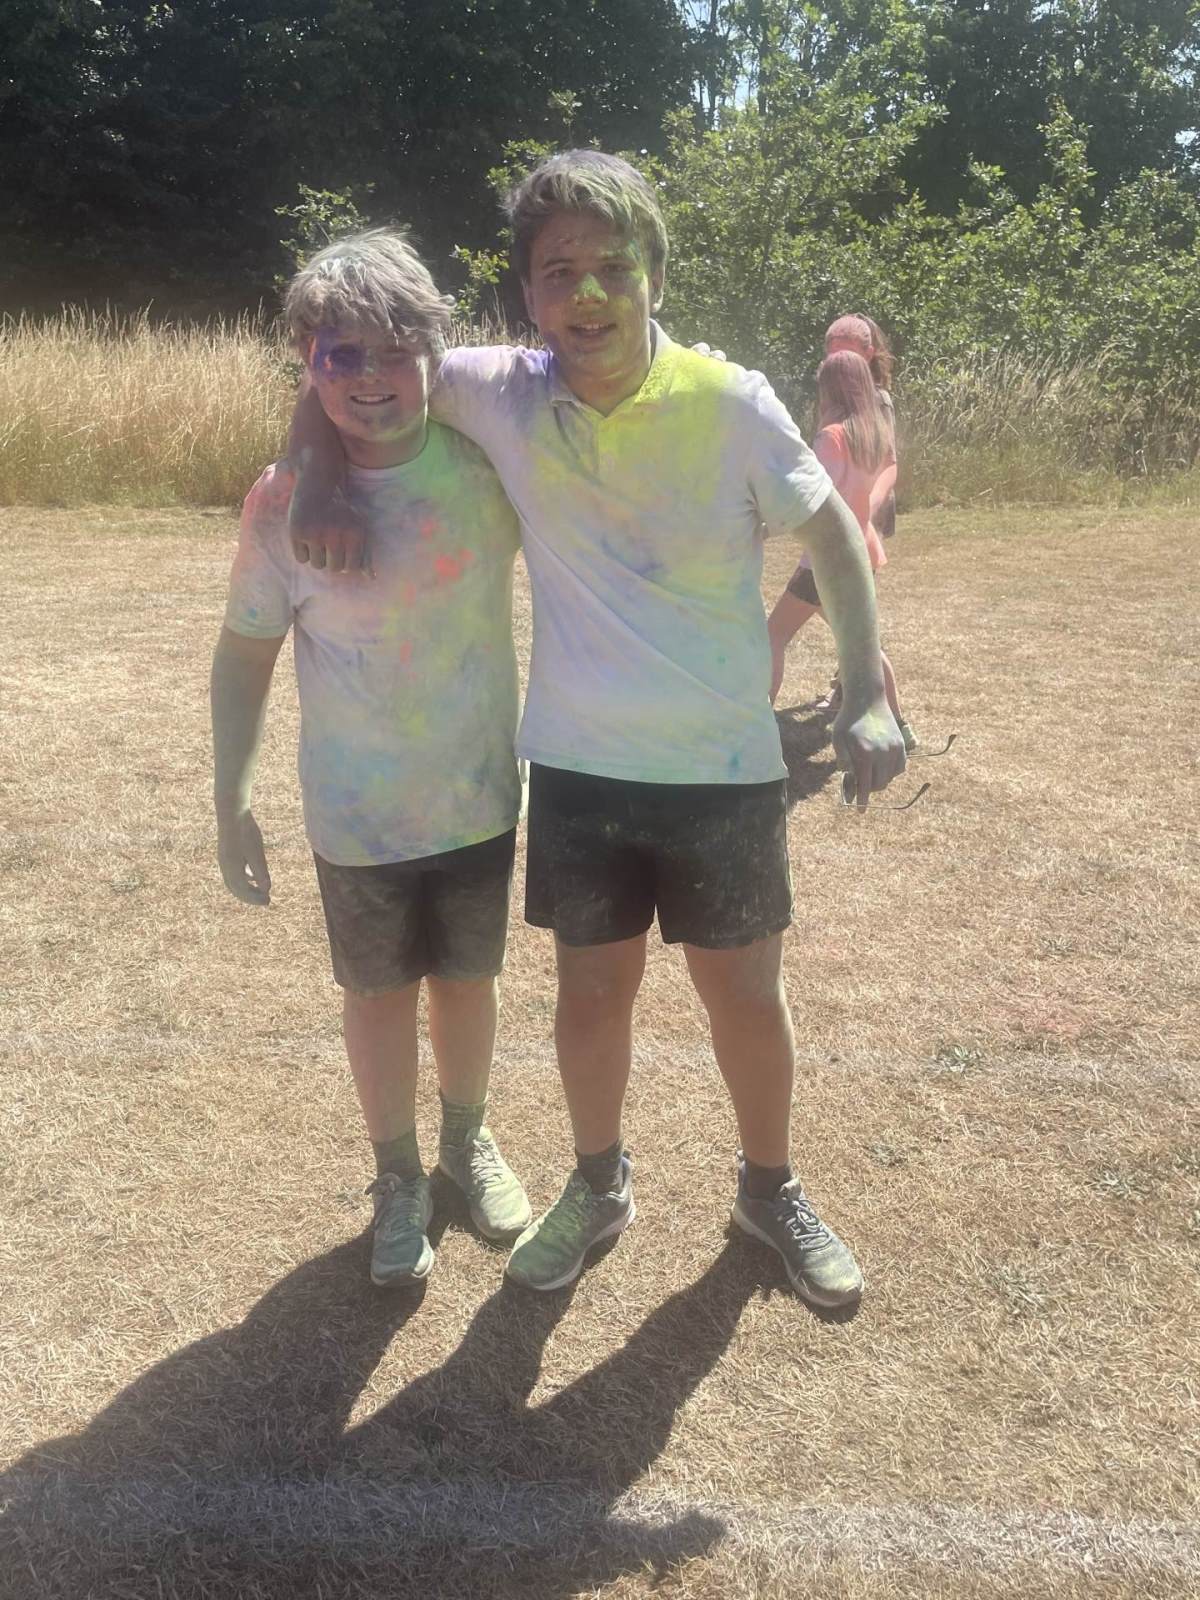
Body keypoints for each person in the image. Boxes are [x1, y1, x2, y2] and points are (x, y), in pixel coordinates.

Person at [288, 151, 907, 1309]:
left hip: (723, 767)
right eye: (558, 269)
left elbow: (831, 537)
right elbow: (356, 354)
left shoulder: (731, 402)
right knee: (589, 1001)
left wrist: (866, 687)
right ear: (527, 293)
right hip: (579, 772)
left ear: (655, 277)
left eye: (613, 267)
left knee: (745, 999)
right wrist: (311, 466)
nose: (586, 293)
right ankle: (598, 1182)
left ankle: (768, 1190)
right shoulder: (504, 390)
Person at [210, 230, 532, 1289]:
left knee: (470, 983)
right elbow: (245, 652)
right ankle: (397, 1175)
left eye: (394, 351)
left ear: (434, 350)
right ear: (307, 364)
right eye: (338, 356)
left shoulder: (486, 466)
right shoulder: (279, 504)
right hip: (356, 816)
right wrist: (231, 793)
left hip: (479, 796)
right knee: (380, 995)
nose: (369, 378)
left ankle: (466, 1141)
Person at [766, 351, 917, 752]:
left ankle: (756, 723)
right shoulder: (872, 434)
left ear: (828, 389)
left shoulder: (831, 437)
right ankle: (899, 726)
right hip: (862, 550)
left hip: (828, 557)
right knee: (862, 645)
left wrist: (768, 520)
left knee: (773, 635)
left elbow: (814, 497)